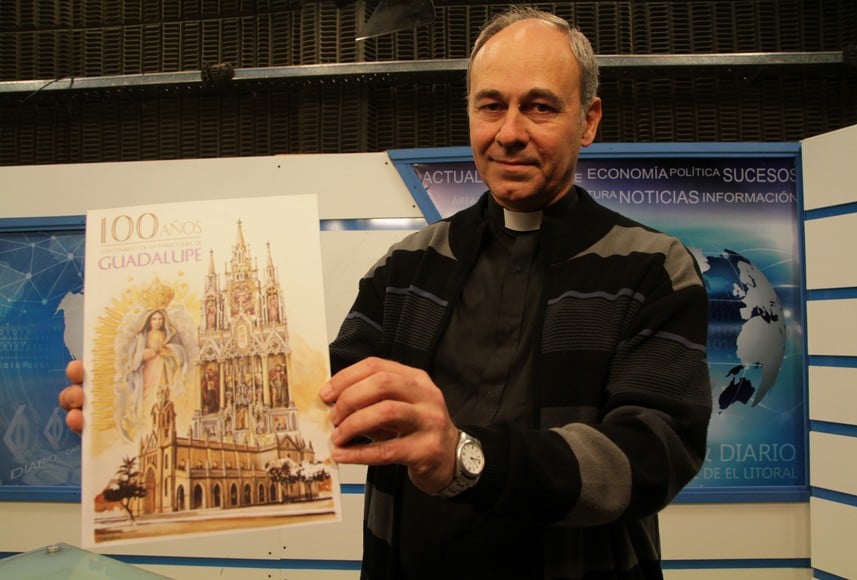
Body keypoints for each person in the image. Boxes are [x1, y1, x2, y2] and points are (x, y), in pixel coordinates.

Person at [61, 6, 712, 579]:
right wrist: (150, 400)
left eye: (539, 106)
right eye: (491, 105)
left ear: (588, 119)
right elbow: (320, 399)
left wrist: (465, 456)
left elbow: (653, 453)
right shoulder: (407, 267)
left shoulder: (652, 267)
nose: (509, 131)